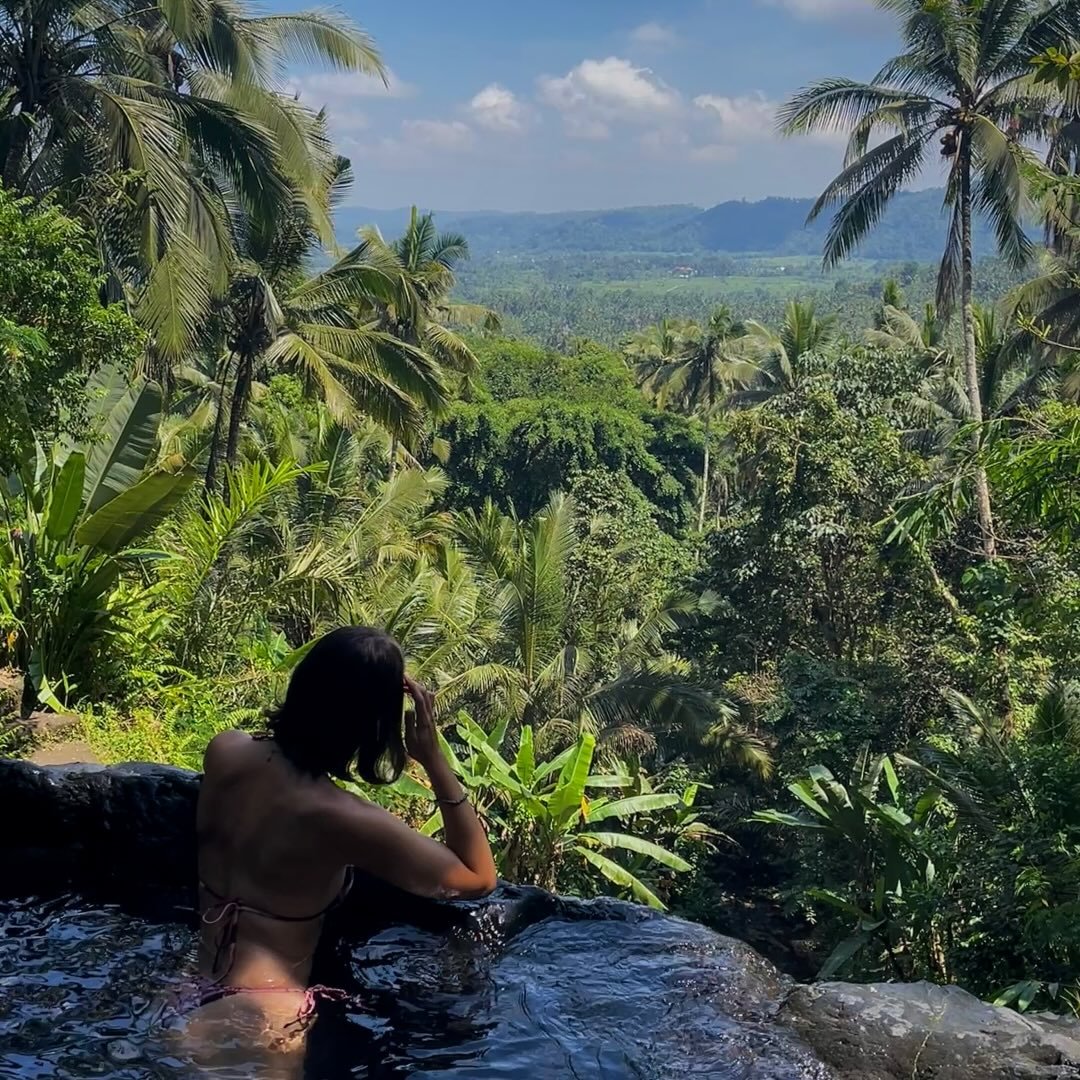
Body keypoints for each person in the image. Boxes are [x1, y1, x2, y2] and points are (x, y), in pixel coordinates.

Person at [189, 625, 497, 1061]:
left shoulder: (225, 751)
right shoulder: (343, 819)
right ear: (372, 724)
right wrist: (433, 758)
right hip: (265, 1011)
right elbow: (479, 878)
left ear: (302, 683)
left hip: (189, 985)